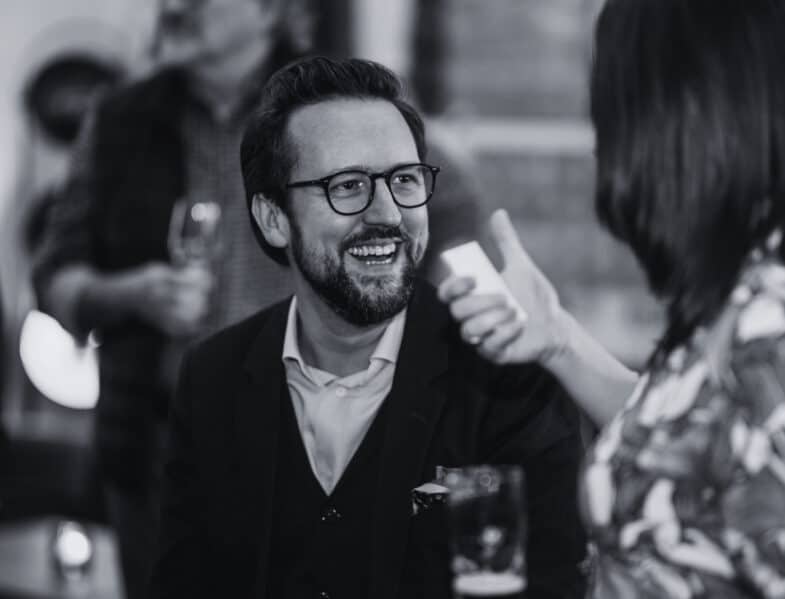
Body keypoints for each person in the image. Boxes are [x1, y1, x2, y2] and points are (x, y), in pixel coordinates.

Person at [148, 56, 603, 599]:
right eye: (347, 186)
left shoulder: (506, 376)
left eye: (404, 180)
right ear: (274, 219)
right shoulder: (212, 377)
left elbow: (554, 586)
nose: (387, 213)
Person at [440, 0, 785, 597]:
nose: (600, 141)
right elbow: (702, 443)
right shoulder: (741, 296)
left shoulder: (766, 325)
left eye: (609, 107)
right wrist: (558, 340)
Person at [31, 1, 311, 597]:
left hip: (306, 436)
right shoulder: (121, 118)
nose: (174, 5)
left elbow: (432, 216)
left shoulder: (330, 106)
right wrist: (129, 295)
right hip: (157, 445)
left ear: (268, 10)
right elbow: (53, 277)